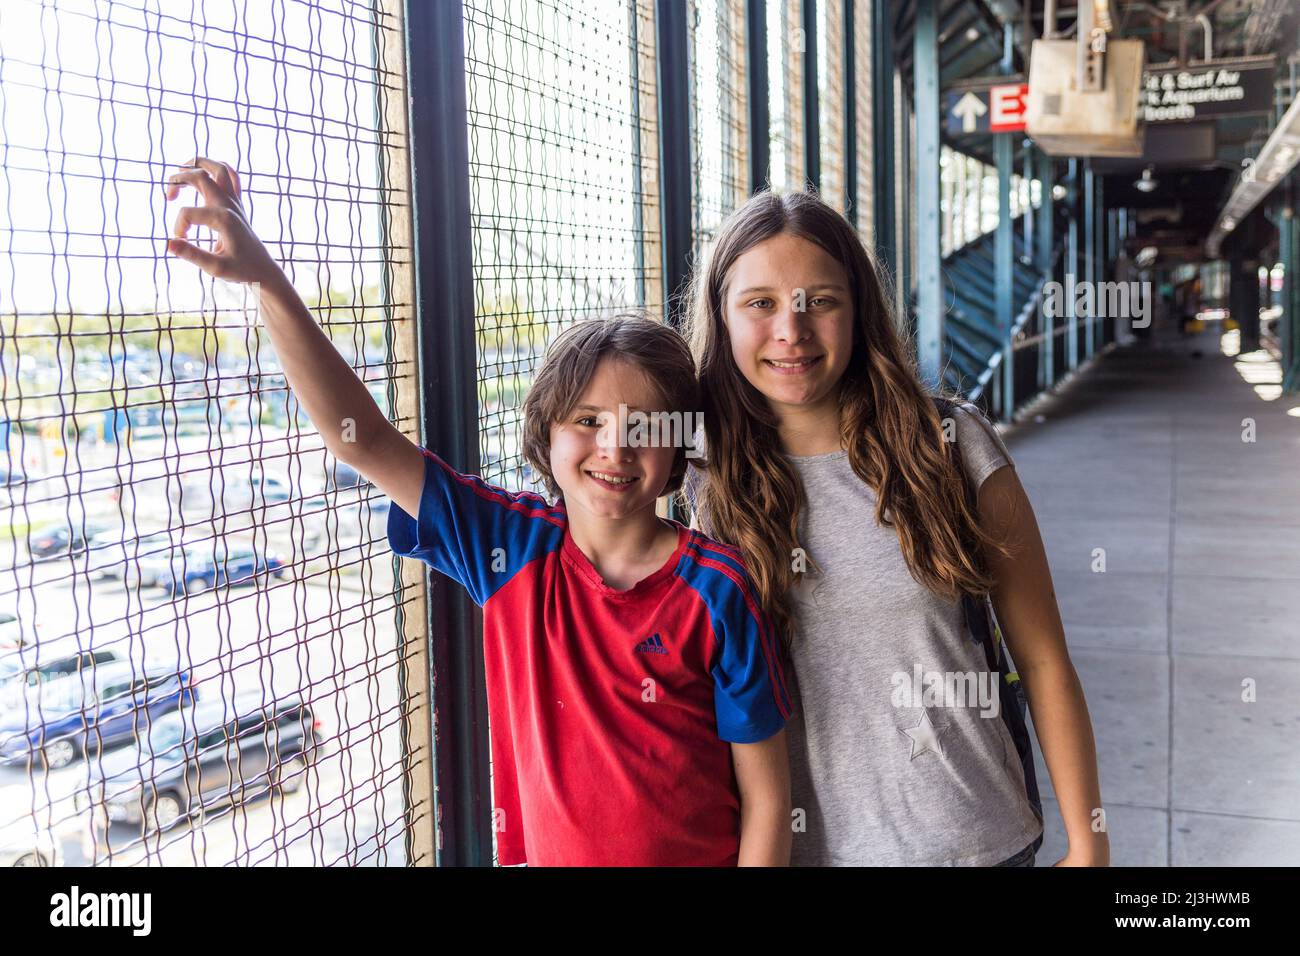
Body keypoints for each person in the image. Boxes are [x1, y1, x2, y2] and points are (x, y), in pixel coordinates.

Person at [162, 156, 792, 866]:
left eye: (644, 424)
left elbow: (767, 800)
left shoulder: (720, 588)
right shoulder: (507, 546)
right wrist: (266, 280)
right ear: (544, 435)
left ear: (678, 446)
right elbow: (363, 439)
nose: (615, 446)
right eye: (587, 420)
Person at [682, 190, 1108, 867]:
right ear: (722, 316)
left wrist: (1089, 842)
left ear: (857, 312)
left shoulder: (949, 446)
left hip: (971, 842)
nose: (791, 330)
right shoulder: (694, 478)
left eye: (819, 300)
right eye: (759, 303)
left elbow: (1043, 659)